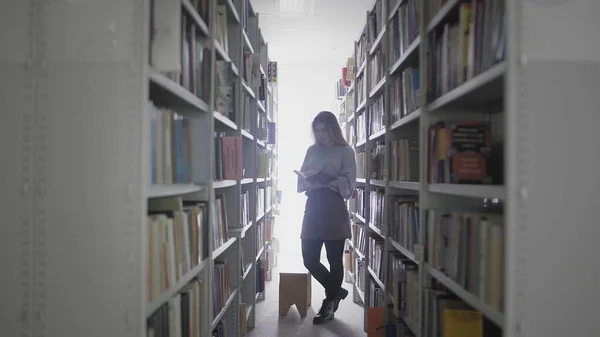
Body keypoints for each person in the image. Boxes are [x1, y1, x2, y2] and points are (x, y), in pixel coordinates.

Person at [297, 110, 357, 324]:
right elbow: (302, 178)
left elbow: (349, 182)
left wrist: (329, 182)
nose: (321, 134)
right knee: (309, 258)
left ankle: (328, 304)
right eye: (317, 131)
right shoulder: (312, 150)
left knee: (334, 259)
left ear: (333, 128)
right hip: (313, 205)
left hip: (333, 206)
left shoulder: (345, 151)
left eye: (325, 129)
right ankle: (337, 291)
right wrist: (307, 180)